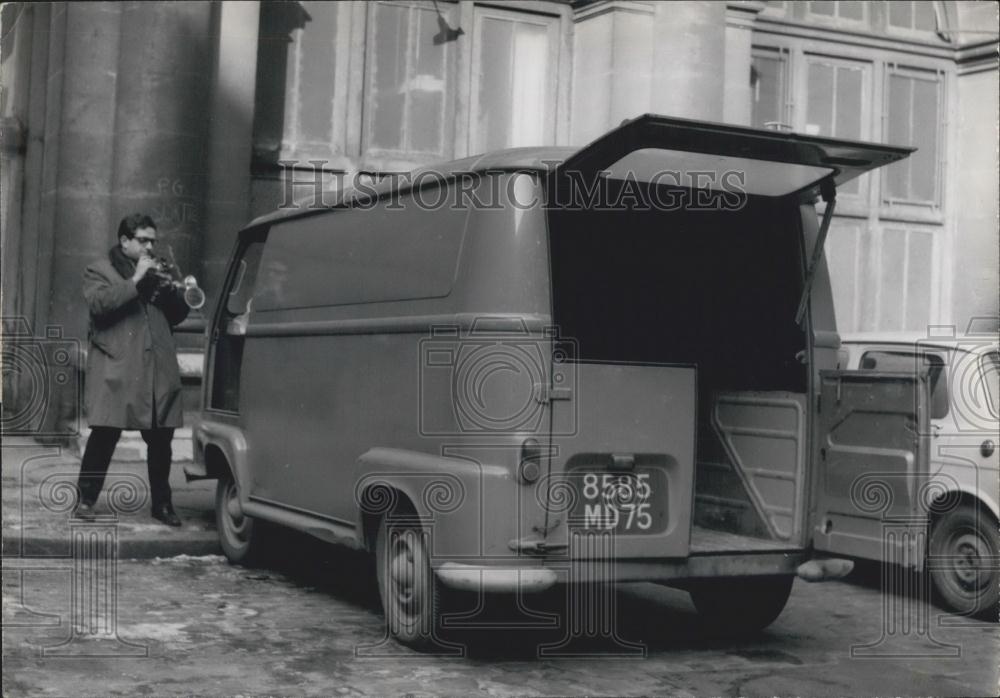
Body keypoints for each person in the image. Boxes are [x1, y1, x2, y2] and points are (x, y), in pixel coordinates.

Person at [74, 214, 189, 526]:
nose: (149, 246)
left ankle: (162, 505)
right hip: (119, 366)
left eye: (152, 240)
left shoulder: (159, 270)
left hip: (156, 369)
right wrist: (137, 280)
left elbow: (176, 317)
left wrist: (177, 293)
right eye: (142, 240)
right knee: (104, 435)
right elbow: (100, 305)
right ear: (124, 241)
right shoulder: (99, 270)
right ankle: (85, 500)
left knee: (161, 440)